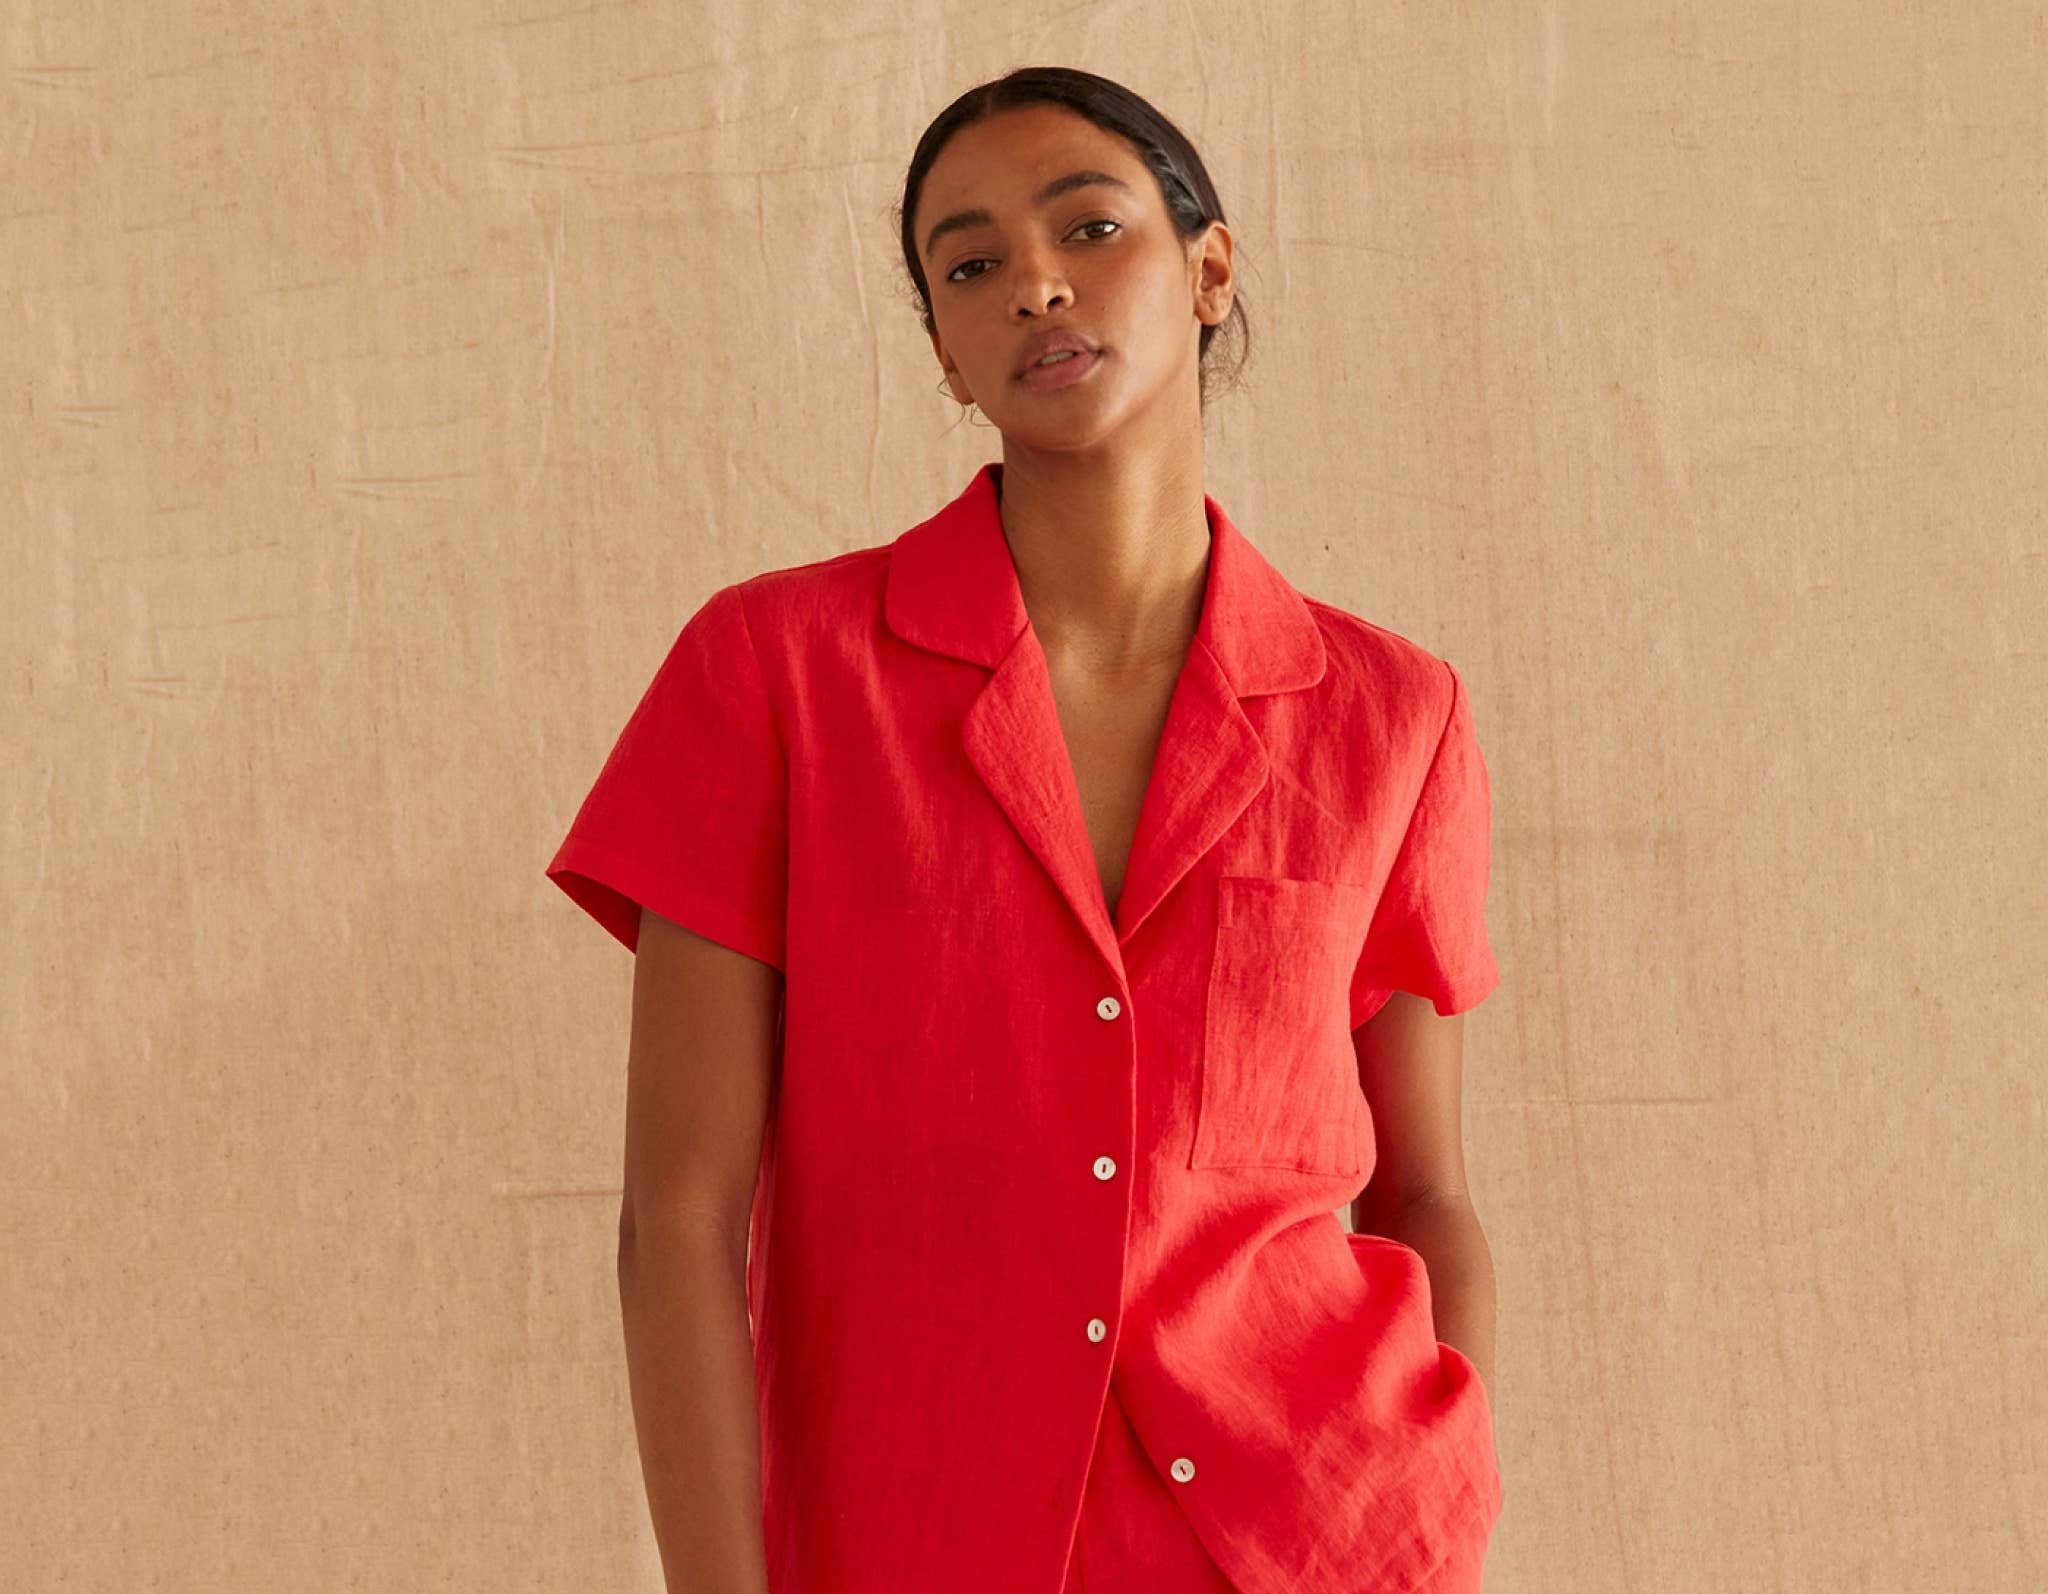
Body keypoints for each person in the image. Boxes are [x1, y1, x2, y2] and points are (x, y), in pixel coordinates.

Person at [546, 65, 1503, 1594]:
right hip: (916, 1538)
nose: (1035, 284)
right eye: (971, 263)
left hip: (1308, 1542)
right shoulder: (776, 675)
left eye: (1090, 227)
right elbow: (678, 1219)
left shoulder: (1393, 713)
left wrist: (1428, 1517)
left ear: (1210, 269)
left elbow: (1426, 1192)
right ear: (945, 352)